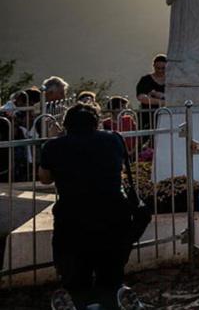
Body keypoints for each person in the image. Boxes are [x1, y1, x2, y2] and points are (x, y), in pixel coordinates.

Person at [38, 103, 141, 309]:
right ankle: (113, 297)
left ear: (66, 124)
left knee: (76, 267)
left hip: (73, 214)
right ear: (96, 122)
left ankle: (79, 300)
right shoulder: (113, 140)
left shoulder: (53, 146)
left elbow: (45, 178)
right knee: (110, 265)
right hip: (113, 212)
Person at [135, 54, 166, 132]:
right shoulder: (145, 80)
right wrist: (162, 102)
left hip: (166, 117)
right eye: (158, 68)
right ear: (153, 66)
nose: (160, 70)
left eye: (163, 68)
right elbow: (141, 97)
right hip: (147, 117)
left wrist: (153, 96)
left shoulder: (172, 80)